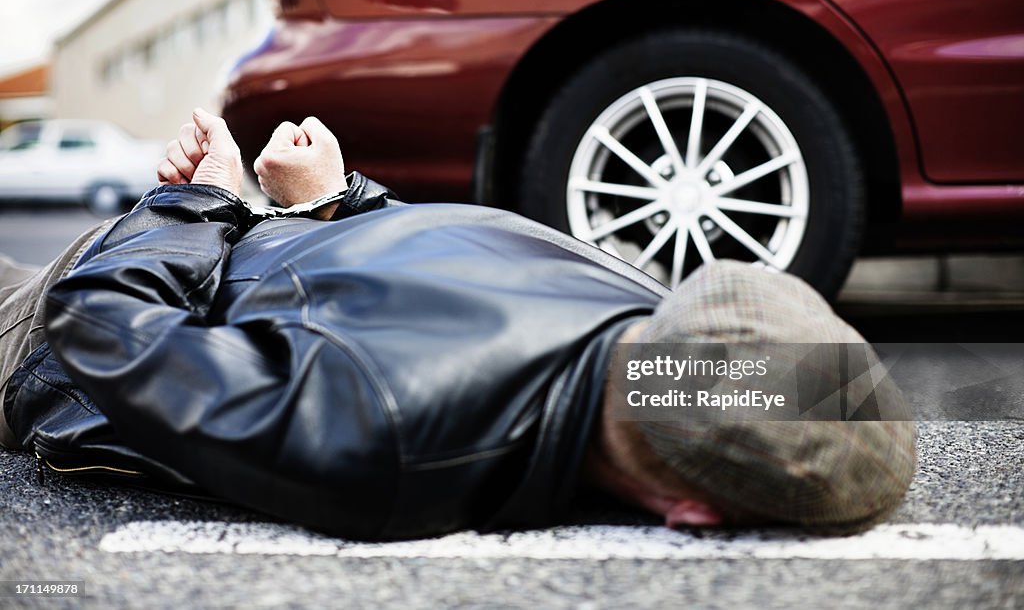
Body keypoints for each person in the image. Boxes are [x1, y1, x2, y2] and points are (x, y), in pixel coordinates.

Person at [0, 109, 916, 540]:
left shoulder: (393, 439)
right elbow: (416, 276)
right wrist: (333, 201)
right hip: (194, 247)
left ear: (694, 509)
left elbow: (104, 328)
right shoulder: (632, 308)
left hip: (40, 331)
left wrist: (203, 202)